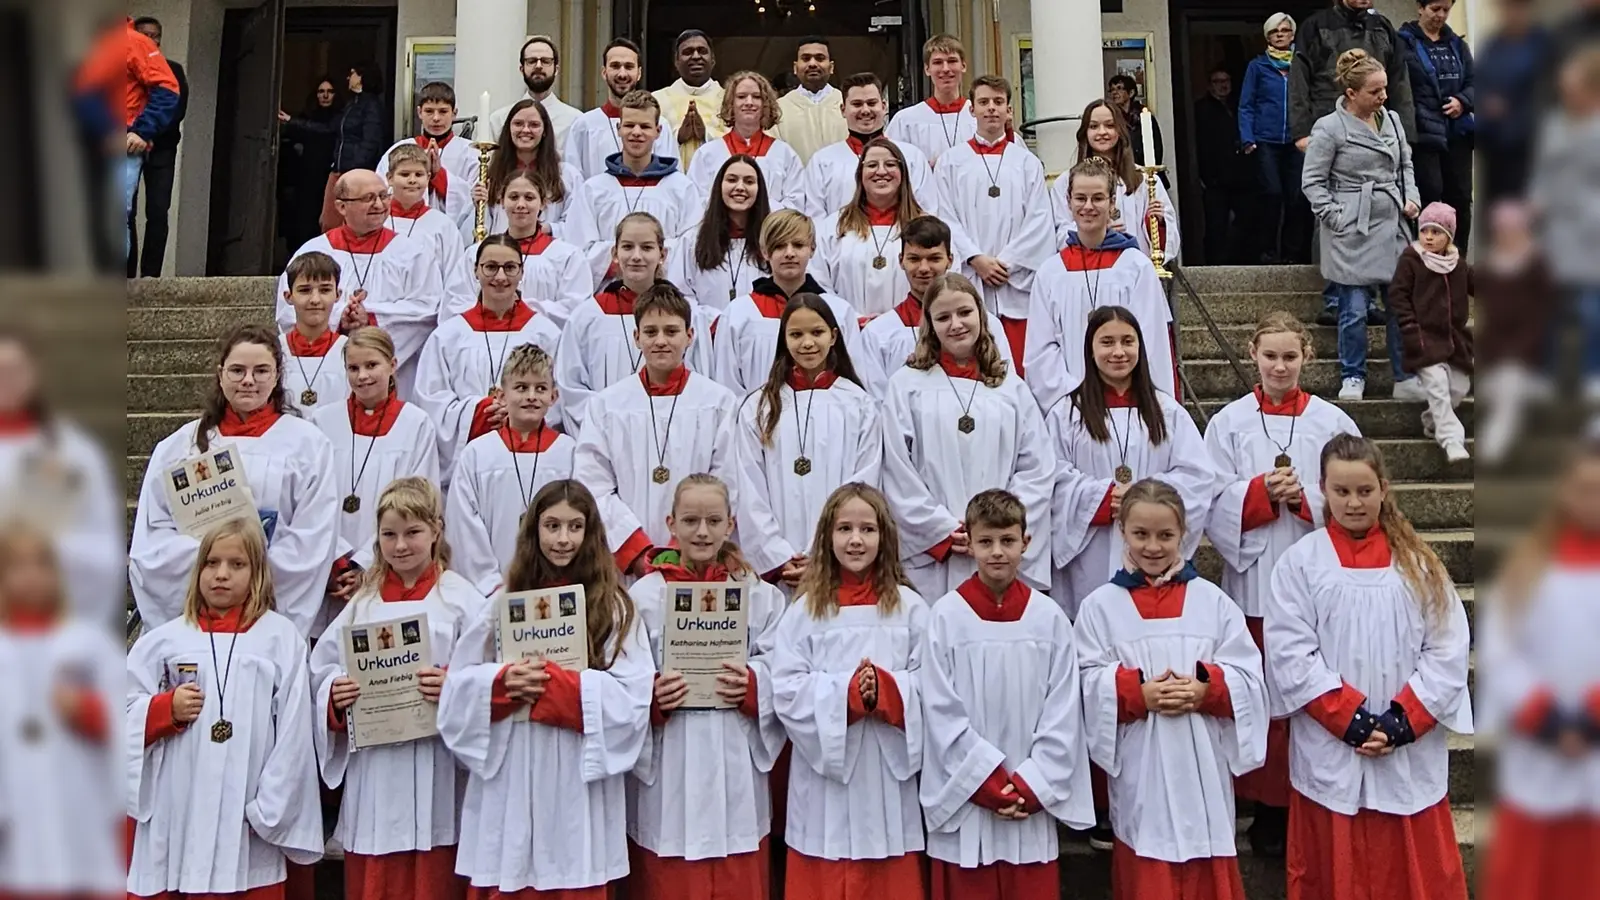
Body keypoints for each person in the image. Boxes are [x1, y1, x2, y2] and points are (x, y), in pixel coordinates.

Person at [1264, 434, 1472, 900]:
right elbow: (1291, 653)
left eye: (1364, 490)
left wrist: (1402, 720)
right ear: (1322, 489)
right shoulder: (1301, 563)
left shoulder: (1419, 563)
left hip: (1405, 748)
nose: (1353, 502)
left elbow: (1447, 649)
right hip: (1334, 746)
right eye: (1341, 491)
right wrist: (1350, 719)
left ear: (1383, 489)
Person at [439, 479, 653, 899]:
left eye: (575, 527)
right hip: (513, 773)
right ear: (533, 531)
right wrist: (500, 684)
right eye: (551, 525)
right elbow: (458, 692)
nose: (562, 539)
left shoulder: (613, 606)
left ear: (591, 534)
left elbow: (633, 697)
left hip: (576, 778)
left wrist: (564, 688)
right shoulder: (503, 602)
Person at [1201, 311, 1360, 856]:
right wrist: (1258, 495)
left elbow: (1360, 492)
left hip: (1318, 582)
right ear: (1253, 354)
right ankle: (1268, 812)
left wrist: (1305, 499)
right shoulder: (1228, 423)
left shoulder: (1334, 422)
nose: (1280, 365)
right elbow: (1208, 499)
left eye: (1290, 356)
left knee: (1310, 696)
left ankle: (1311, 807)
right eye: (1270, 355)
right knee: (1267, 700)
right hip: (1256, 581)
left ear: (1307, 356)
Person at [1075, 479, 1268, 900]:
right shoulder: (1100, 607)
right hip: (1142, 765)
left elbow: (1250, 677)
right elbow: (1084, 681)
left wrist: (1206, 690)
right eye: (1140, 534)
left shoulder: (1212, 602)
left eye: (1165, 535)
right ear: (1122, 531)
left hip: (1202, 765)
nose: (1153, 546)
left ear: (1184, 534)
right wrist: (1135, 693)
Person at [126, 517, 325, 898]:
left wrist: (269, 811)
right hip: (176, 813)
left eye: (237, 565)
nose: (221, 574)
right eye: (211, 563)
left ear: (258, 573)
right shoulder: (163, 642)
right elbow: (122, 715)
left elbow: (295, 735)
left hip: (246, 819)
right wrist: (163, 711)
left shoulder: (280, 641)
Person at [919, 489, 1095, 899]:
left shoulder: (1049, 618)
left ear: (1026, 543)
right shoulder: (945, 616)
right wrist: (987, 782)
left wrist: (1032, 785)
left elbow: (1063, 711)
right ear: (969, 542)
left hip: (1028, 805)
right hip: (968, 801)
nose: (997, 552)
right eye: (985, 542)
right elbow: (940, 712)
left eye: (1007, 540)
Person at [312, 477, 479, 900]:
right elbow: (322, 667)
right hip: (376, 771)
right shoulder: (362, 605)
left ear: (436, 531)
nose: (400, 545)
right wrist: (334, 694)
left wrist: (453, 686)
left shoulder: (462, 601)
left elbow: (486, 676)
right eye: (389, 534)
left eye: (412, 533)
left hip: (436, 764)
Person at [626, 474, 787, 900]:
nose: (702, 531)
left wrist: (754, 686)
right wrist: (651, 697)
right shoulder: (644, 597)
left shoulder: (755, 592)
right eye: (691, 520)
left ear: (730, 524)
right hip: (672, 758)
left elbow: (782, 666)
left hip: (732, 752)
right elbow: (624, 674)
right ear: (670, 523)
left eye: (714, 520)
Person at [770, 483, 929, 900]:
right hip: (826, 787)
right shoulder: (803, 612)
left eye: (867, 529)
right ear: (827, 537)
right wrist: (849, 695)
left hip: (884, 776)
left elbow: (934, 683)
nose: (856, 539)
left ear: (885, 537)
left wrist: (889, 691)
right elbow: (785, 688)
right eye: (844, 529)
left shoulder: (911, 608)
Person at [130, 325, 340, 637]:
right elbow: (153, 537)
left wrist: (250, 572)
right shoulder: (179, 447)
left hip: (266, 606)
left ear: (278, 374)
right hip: (196, 612)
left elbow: (312, 538)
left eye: (261, 370)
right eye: (237, 370)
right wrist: (216, 563)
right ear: (220, 373)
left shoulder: (308, 445)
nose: (248, 380)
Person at [880, 273, 1054, 601]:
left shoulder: (1010, 387)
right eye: (943, 317)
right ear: (929, 325)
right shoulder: (906, 385)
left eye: (964, 313)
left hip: (997, 547)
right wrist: (940, 530)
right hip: (937, 555)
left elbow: (1037, 467)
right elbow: (897, 468)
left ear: (981, 315)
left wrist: (998, 529)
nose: (956, 324)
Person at [1479, 438, 1600, 900]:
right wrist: (1544, 714)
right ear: (1565, 493)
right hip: (1540, 749)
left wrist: (1590, 717)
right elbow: (1501, 650)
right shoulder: (1527, 567)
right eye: (1584, 489)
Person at [1042, 306, 1215, 620]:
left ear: (1141, 347)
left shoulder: (1167, 410)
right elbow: (1051, 475)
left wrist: (1142, 499)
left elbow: (1197, 476)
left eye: (1128, 341)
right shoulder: (1067, 413)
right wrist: (1101, 498)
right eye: (1107, 342)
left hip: (1151, 543)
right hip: (1091, 549)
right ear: (1090, 350)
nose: (1119, 352)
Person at [574, 283, 736, 576]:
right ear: (636, 337)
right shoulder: (606, 405)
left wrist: (685, 548)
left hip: (698, 560)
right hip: (631, 565)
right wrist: (637, 552)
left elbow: (726, 480)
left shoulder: (718, 402)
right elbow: (593, 485)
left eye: (671, 331)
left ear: (690, 336)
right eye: (650, 332)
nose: (661, 340)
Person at [0, 527, 125, 898]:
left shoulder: (87, 643)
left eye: (42, 565)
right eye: (17, 566)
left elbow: (123, 719)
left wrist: (83, 709)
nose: (31, 576)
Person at [728, 293, 881, 585]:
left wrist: (824, 554)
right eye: (796, 334)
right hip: (779, 571)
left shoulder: (859, 404)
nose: (807, 343)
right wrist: (778, 556)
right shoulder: (759, 406)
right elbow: (748, 487)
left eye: (817, 332)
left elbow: (864, 482)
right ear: (783, 339)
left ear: (834, 336)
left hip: (838, 560)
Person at [1301, 48, 1421, 403]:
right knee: (1353, 308)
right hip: (1353, 224)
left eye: (1385, 88)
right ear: (1351, 93)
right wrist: (1336, 216)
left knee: (1401, 303)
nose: (1383, 96)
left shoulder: (1393, 120)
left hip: (1393, 221)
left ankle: (1405, 376)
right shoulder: (1329, 128)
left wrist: (1410, 196)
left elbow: (1405, 166)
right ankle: (1352, 375)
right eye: (1375, 91)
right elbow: (1312, 181)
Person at [275, 169, 446, 399]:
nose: (379, 204)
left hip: (395, 378)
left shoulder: (412, 253)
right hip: (327, 374)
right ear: (342, 206)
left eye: (383, 196)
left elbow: (429, 309)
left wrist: (372, 319)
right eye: (368, 198)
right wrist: (339, 318)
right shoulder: (313, 252)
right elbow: (287, 312)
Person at [1027, 157, 1174, 413]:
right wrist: (1072, 396)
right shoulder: (1051, 273)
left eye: (1098, 198)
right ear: (1068, 202)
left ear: (1112, 202)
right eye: (1080, 198)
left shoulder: (1136, 267)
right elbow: (1041, 350)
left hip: (1129, 406)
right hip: (1071, 409)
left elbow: (1152, 342)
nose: (1088, 207)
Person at [415, 234, 565, 483]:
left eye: (510, 268)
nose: (500, 277)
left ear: (521, 272)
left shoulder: (546, 333)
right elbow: (430, 400)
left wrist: (520, 413)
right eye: (491, 267)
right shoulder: (449, 335)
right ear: (476, 270)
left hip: (531, 459)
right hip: (469, 459)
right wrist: (477, 412)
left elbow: (560, 396)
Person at [0, 330, 123, 626]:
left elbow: (103, 544)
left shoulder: (75, 453)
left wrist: (47, 550)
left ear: (35, 374)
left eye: (15, 370)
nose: (6, 379)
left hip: (56, 619)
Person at [935, 74, 1054, 369]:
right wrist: (975, 258)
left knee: (1020, 365)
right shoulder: (951, 161)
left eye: (999, 102)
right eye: (984, 102)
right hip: (972, 275)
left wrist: (1006, 263)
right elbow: (944, 216)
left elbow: (1039, 220)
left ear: (1009, 111)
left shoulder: (1027, 163)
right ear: (971, 109)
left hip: (1014, 285)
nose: (991, 109)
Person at [555, 212, 714, 431]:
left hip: (673, 432)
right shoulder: (587, 316)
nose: (636, 256)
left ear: (662, 254)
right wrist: (609, 426)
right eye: (628, 247)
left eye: (647, 248)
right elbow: (571, 386)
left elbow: (701, 378)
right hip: (607, 434)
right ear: (614, 253)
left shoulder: (686, 313)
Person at [312, 326, 440, 586]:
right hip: (329, 567)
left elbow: (417, 502)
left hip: (389, 563)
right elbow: (312, 500)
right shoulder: (323, 422)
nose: (362, 376)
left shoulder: (415, 424)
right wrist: (339, 559)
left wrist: (366, 563)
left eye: (372, 365)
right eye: (353, 368)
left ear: (393, 365)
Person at [447, 343, 578, 596]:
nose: (531, 396)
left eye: (540, 388)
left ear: (554, 396)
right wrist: (492, 587)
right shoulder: (477, 455)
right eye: (521, 387)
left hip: (557, 588)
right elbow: (464, 526)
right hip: (492, 593)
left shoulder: (569, 453)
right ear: (501, 395)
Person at [856, 216, 1014, 398]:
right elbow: (876, 402)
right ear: (901, 261)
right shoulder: (878, 333)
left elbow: (1006, 388)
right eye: (914, 259)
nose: (924, 268)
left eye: (934, 258)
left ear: (950, 260)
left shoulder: (985, 324)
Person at [817, 139, 972, 318]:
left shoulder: (930, 227)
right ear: (860, 174)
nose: (881, 171)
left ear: (903, 173)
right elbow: (820, 281)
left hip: (914, 330)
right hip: (851, 332)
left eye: (890, 164)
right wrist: (853, 320)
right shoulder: (834, 227)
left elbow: (948, 281)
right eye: (872, 165)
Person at [713, 211, 863, 395]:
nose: (789, 253)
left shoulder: (838, 311)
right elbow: (728, 385)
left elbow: (853, 379)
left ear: (812, 249)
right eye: (779, 246)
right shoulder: (739, 313)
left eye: (798, 245)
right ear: (765, 252)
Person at [566, 90, 705, 283]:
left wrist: (639, 261)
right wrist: (624, 261)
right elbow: (577, 252)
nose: (636, 133)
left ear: (658, 131)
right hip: (609, 301)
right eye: (629, 125)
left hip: (664, 299)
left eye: (645, 126)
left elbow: (691, 249)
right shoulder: (594, 191)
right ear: (618, 128)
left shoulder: (681, 189)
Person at [1388, 202, 1473, 462]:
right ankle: (1451, 439)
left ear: (1449, 235)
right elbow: (1398, 295)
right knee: (1436, 385)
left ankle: (1431, 419)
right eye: (1425, 231)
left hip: (1455, 339)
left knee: (1459, 386)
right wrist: (1409, 327)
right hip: (1423, 337)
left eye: (1436, 232)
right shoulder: (1411, 260)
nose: (1429, 237)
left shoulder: (1457, 263)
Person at [453, 170, 594, 325]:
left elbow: (577, 310)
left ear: (543, 203)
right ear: (501, 201)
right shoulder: (476, 254)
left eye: (529, 197)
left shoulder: (567, 256)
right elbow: (455, 304)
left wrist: (522, 308)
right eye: (513, 197)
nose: (520, 205)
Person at [1050, 100, 1181, 264]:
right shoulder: (1065, 182)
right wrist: (1096, 232)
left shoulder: (1145, 180)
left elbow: (1169, 238)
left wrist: (1156, 223)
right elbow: (1059, 234)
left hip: (1134, 269)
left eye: (1110, 125)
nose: (1102, 132)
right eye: (1094, 126)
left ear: (1120, 131)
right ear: (1085, 132)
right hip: (1088, 269)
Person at [801, 73, 945, 220]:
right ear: (843, 110)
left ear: (883, 106)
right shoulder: (822, 162)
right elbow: (815, 220)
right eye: (857, 104)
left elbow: (927, 212)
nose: (865, 110)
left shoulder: (911, 157)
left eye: (871, 103)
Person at [1399, 0, 1477, 252]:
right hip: (1424, 133)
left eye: (1446, 10)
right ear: (1420, 8)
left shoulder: (1457, 44)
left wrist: (1463, 101)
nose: (1441, 15)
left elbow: (1476, 82)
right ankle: (1426, 261)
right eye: (1435, 9)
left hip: (1458, 132)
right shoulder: (1404, 43)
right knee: (1429, 195)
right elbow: (1401, 87)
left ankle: (1457, 260)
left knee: (1461, 198)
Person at [280, 62, 388, 233]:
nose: (348, 77)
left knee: (348, 223)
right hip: (338, 170)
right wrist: (291, 121)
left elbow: (370, 143)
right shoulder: (352, 104)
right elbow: (329, 128)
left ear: (362, 77)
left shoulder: (371, 105)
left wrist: (354, 170)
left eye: (352, 73)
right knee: (328, 221)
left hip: (352, 172)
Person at [1240, 13, 1311, 264]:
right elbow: (1246, 105)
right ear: (1267, 37)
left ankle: (1293, 254)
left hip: (1297, 141)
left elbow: (1311, 101)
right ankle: (1267, 251)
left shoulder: (1302, 65)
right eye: (1274, 31)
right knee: (1272, 194)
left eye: (1285, 30)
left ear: (1292, 35)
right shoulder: (1257, 66)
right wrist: (1248, 138)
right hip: (1266, 141)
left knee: (1297, 197)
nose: (1280, 35)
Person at [686, 72, 807, 211]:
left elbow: (795, 205)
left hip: (768, 231)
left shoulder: (785, 154)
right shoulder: (707, 154)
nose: (749, 102)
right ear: (730, 103)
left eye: (756, 97)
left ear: (766, 104)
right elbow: (694, 203)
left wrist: (759, 209)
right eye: (741, 97)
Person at [670, 154, 774, 310]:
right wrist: (714, 323)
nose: (740, 187)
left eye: (749, 181)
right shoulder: (692, 240)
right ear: (719, 186)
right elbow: (679, 293)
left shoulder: (773, 240)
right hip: (707, 330)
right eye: (732, 180)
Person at [565, 39, 678, 182]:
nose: (622, 74)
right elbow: (572, 182)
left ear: (639, 73)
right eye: (615, 66)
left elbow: (671, 180)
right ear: (604, 72)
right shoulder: (584, 126)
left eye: (629, 67)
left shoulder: (659, 125)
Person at [475, 98, 586, 242]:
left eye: (534, 125)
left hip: (549, 255)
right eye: (518, 124)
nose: (526, 130)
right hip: (502, 254)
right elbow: (484, 228)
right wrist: (478, 206)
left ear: (545, 130)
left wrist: (548, 229)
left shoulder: (567, 175)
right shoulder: (492, 173)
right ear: (509, 129)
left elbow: (578, 225)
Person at [115, 16, 180, 261]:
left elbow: (169, 91)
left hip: (130, 145)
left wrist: (143, 131)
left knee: (143, 214)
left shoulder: (133, 42)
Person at [376, 80, 477, 236]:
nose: (436, 118)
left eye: (443, 111)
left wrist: (439, 175)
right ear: (419, 112)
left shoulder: (471, 152)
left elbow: (474, 199)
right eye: (429, 111)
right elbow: (381, 189)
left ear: (454, 113)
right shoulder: (399, 149)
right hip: (402, 228)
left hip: (450, 233)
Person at [1473, 0, 1549, 202]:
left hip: (1529, 146)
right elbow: (1479, 83)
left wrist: (1512, 112)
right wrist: (1486, 105)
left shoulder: (1542, 45)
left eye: (1518, 8)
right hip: (1495, 145)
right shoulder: (1493, 45)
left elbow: (1546, 93)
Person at [384, 143, 469, 293]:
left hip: (428, 308)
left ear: (428, 177)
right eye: (404, 174)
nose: (412, 180)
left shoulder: (442, 226)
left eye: (419, 174)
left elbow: (454, 276)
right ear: (390, 178)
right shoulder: (378, 221)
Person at [1194, 66, 1254, 265]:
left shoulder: (1240, 106)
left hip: (1242, 177)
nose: (1223, 85)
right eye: (1218, 81)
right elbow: (1200, 144)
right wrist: (1204, 176)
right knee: (1216, 225)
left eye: (1226, 80)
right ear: (1210, 85)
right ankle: (1214, 265)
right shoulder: (1201, 109)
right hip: (1215, 179)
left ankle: (1242, 261)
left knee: (1246, 221)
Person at [279, 251, 350, 418]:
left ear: (338, 295)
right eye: (305, 290)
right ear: (288, 297)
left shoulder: (349, 351)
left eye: (325, 290)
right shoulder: (275, 350)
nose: (315, 299)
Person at [886, 35, 978, 164]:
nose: (945, 69)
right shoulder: (906, 121)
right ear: (927, 69)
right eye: (938, 62)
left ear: (963, 66)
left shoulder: (979, 117)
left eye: (952, 61)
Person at [282, 77, 342, 253]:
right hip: (306, 174)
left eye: (329, 92)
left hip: (329, 172)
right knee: (304, 217)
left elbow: (327, 130)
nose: (325, 96)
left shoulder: (340, 116)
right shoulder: (307, 114)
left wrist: (291, 120)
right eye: (321, 91)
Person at [490, 35, 583, 147]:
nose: (538, 66)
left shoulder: (575, 121)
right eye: (531, 61)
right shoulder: (499, 120)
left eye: (545, 61)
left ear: (556, 69)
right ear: (522, 69)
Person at [654, 30, 728, 169]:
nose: (695, 56)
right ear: (676, 61)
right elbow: (645, 146)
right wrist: (678, 137)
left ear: (713, 60)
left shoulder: (730, 100)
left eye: (702, 51)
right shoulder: (657, 101)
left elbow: (741, 145)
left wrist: (706, 134)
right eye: (688, 52)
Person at [774, 37, 847, 165]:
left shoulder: (848, 105)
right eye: (806, 58)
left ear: (831, 67)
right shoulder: (779, 109)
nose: (812, 64)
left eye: (820, 58)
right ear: (795, 67)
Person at [1106, 74, 1162, 170]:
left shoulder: (1144, 116)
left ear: (1131, 93)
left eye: (1119, 88)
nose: (1115, 93)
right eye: (1112, 90)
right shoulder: (1111, 117)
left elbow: (1156, 146)